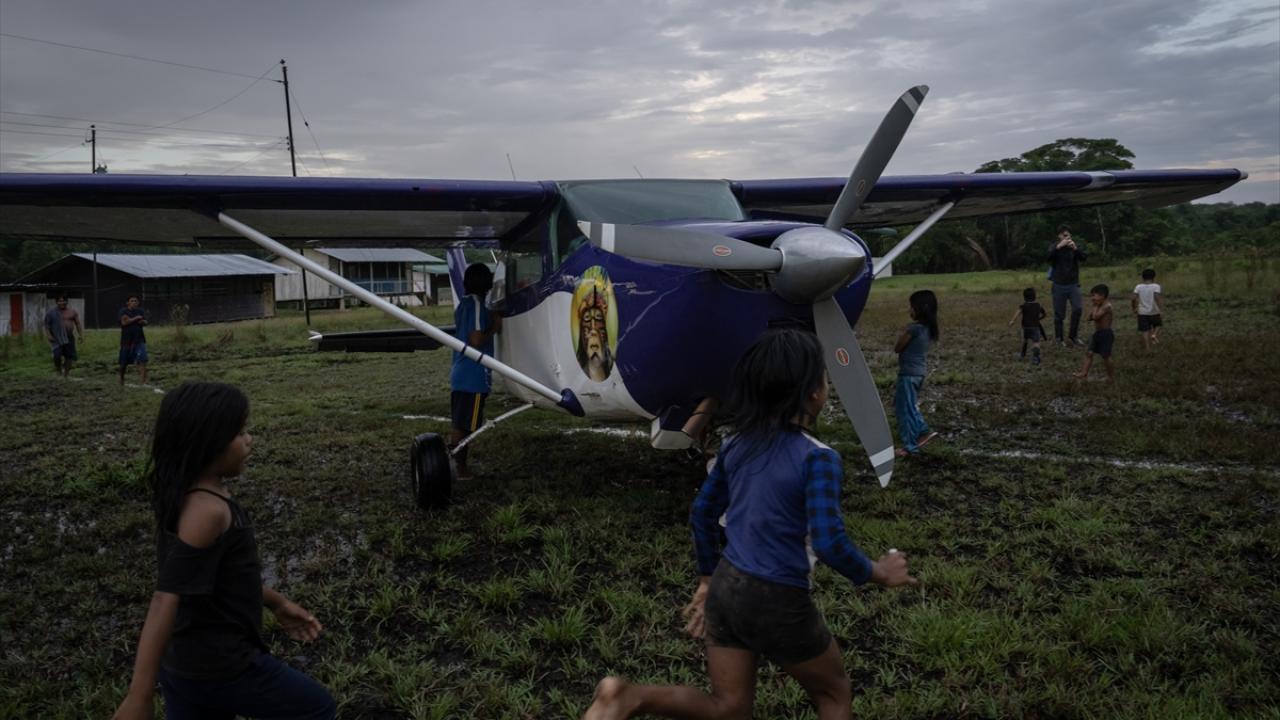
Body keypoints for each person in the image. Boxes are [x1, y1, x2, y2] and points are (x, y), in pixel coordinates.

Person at [582, 328, 917, 720]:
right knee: (833, 692)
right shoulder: (819, 459)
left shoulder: (736, 446)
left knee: (729, 706)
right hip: (778, 597)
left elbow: (703, 514)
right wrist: (879, 572)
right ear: (814, 393)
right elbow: (829, 542)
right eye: (824, 377)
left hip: (727, 587)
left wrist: (708, 578)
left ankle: (628, 696)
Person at [112, 382, 335, 720]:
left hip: (183, 665)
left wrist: (277, 603)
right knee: (316, 707)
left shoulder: (186, 493)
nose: (249, 440)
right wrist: (139, 696)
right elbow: (165, 598)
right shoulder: (208, 511)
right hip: (222, 666)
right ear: (206, 442)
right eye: (238, 432)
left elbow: (215, 579)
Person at [450, 263, 502, 480]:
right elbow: (476, 339)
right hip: (473, 376)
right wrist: (495, 326)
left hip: (461, 374)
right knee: (467, 428)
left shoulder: (463, 304)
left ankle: (455, 463)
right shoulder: (478, 305)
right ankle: (460, 469)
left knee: (461, 423)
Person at [893, 290, 940, 457]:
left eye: (911, 307)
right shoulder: (929, 329)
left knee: (905, 410)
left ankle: (910, 446)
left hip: (908, 375)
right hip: (919, 374)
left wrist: (904, 332)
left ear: (920, 309)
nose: (909, 310)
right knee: (906, 405)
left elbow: (897, 348)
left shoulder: (913, 329)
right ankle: (922, 431)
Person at [1047, 225, 1088, 347]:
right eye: (1064, 235)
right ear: (1059, 236)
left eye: (1069, 235)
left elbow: (1084, 257)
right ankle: (1059, 338)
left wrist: (1075, 249)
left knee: (1078, 309)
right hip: (1059, 284)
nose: (1067, 237)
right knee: (1059, 314)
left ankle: (1073, 336)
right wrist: (1059, 247)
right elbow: (1047, 257)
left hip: (1073, 284)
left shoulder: (1073, 246)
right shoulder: (1054, 246)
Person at [1074, 284, 1115, 383]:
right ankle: (1084, 372)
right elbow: (1089, 317)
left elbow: (1096, 317)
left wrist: (1095, 306)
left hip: (1106, 334)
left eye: (1094, 295)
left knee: (1106, 356)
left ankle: (1111, 376)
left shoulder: (1107, 306)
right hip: (1097, 333)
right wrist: (1094, 306)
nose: (1092, 298)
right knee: (1089, 353)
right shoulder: (1098, 305)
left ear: (1102, 295)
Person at [44, 294, 83, 377]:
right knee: (57, 355)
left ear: (67, 301)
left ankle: (66, 374)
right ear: (56, 302)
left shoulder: (72, 312)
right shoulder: (51, 313)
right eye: (60, 301)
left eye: (63, 301)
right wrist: (49, 335)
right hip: (56, 338)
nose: (62, 303)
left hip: (69, 337)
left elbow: (78, 324)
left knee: (69, 356)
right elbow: (47, 326)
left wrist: (80, 335)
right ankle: (59, 371)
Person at [1008, 287, 1047, 365]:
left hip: (1025, 327)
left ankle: (1022, 354)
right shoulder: (1038, 305)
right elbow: (1044, 314)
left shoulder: (1023, 306)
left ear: (1024, 297)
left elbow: (1017, 313)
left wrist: (1012, 321)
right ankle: (1036, 358)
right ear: (1035, 296)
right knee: (1036, 342)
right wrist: (1039, 318)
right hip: (1035, 327)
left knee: (1025, 339)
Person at [118, 294, 149, 386]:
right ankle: (121, 379)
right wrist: (136, 318)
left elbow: (145, 322)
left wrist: (142, 321)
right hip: (126, 341)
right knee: (123, 363)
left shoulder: (140, 311)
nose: (134, 302)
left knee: (142, 360)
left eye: (136, 301)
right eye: (132, 301)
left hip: (139, 339)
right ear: (127, 302)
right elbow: (124, 322)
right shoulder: (123, 311)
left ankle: (142, 382)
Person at [1131, 268, 1163, 350]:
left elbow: (1133, 298)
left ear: (1143, 277)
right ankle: (1154, 335)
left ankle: (1148, 348)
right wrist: (1160, 309)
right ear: (1153, 277)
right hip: (1154, 311)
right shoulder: (1156, 286)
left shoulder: (1138, 286)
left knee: (1145, 330)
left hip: (1142, 312)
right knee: (1158, 324)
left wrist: (1134, 308)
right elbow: (1157, 298)